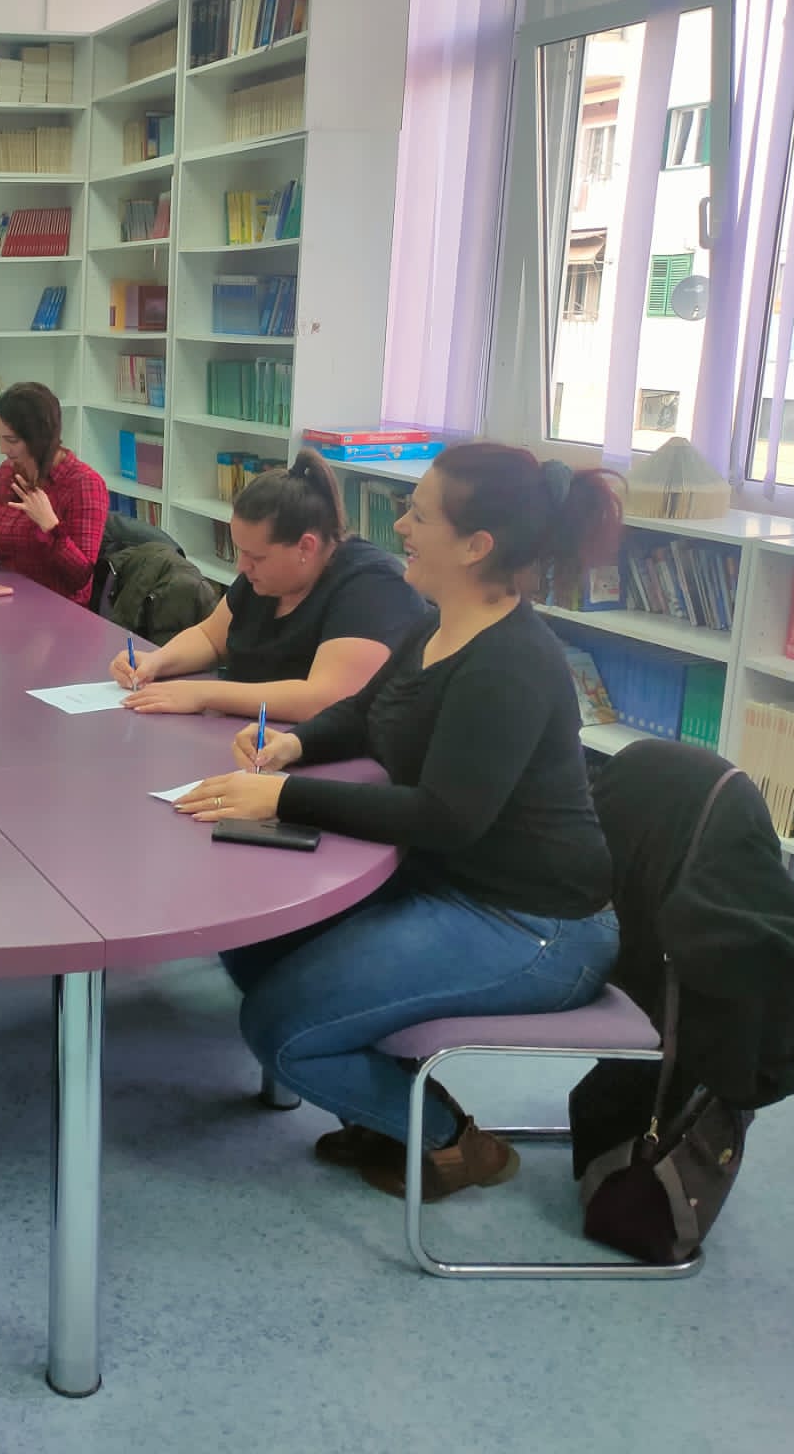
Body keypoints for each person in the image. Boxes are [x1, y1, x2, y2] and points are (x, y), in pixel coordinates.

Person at [178, 444, 625, 1202]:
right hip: (449, 884)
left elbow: (444, 816)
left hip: (533, 925)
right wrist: (294, 745)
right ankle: (385, 1109)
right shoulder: (436, 624)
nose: (401, 525)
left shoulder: (510, 663)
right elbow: (366, 709)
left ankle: (453, 1142)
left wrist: (283, 797)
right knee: (255, 942)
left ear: (476, 546)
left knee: (280, 1029)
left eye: (419, 514)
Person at [108, 451, 426, 722]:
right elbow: (211, 637)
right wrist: (155, 662)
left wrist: (204, 694)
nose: (242, 566)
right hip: (248, 738)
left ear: (305, 547)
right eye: (241, 551)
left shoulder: (373, 587)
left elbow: (324, 699)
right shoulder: (264, 577)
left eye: (255, 556)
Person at [0, 382, 108, 605]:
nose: (2, 449)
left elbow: (80, 578)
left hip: (57, 610)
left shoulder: (84, 484)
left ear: (39, 438)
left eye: (11, 440)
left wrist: (51, 526)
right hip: (7, 600)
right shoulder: (8, 472)